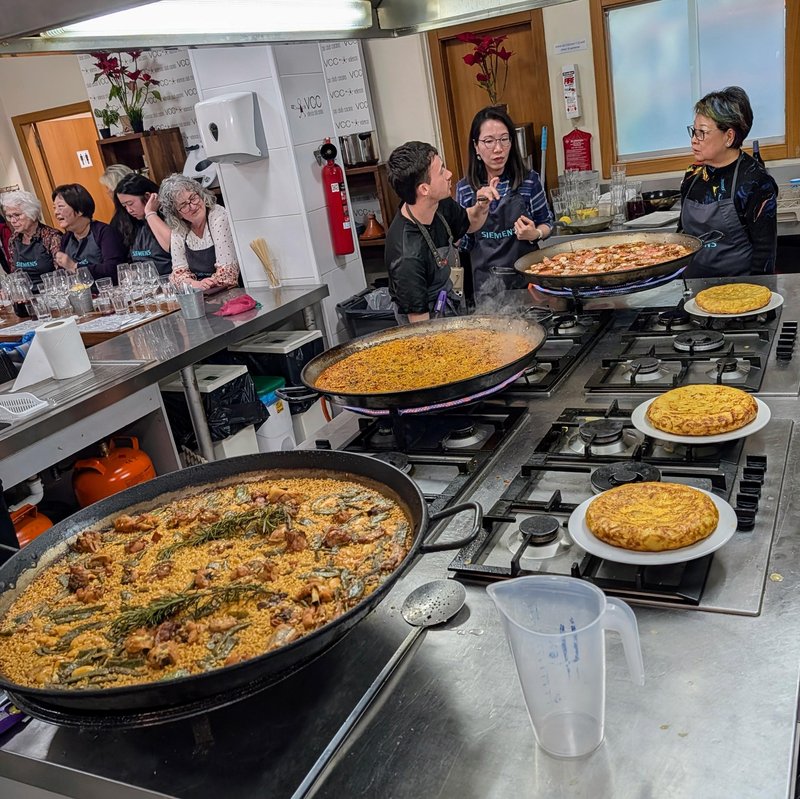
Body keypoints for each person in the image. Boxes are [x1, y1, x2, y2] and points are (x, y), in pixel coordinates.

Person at [385, 141, 498, 324]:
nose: (449, 174)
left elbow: (469, 222)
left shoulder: (439, 204)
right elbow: (421, 330)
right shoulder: (406, 255)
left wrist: (482, 206)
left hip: (452, 312)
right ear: (424, 189)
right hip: (427, 331)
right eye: (441, 171)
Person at [678, 86, 778, 277]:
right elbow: (682, 238)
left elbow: (764, 255)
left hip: (740, 293)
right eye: (693, 131)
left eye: (702, 132)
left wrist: (753, 297)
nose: (693, 140)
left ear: (729, 137)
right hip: (694, 290)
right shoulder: (692, 176)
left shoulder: (755, 182)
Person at [456, 107, 553, 296]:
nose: (498, 148)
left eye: (504, 139)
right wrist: (477, 210)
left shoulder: (529, 180)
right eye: (489, 141)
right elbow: (464, 244)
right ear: (476, 146)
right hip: (486, 287)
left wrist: (535, 233)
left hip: (528, 283)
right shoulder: (465, 189)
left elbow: (548, 223)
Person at [158, 174, 239, 290]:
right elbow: (177, 276)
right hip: (201, 295)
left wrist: (202, 284)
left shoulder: (217, 215)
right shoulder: (179, 229)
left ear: (200, 194)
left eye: (193, 198)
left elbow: (228, 274)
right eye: (184, 205)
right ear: (177, 214)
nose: (192, 206)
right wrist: (196, 285)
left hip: (230, 294)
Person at [53, 184, 126, 282]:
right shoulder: (66, 238)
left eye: (60, 206)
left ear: (79, 210)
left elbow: (113, 269)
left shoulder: (105, 232)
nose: (56, 212)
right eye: (54, 207)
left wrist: (75, 266)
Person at [113, 174, 172, 275]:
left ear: (148, 197)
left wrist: (150, 213)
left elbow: (172, 246)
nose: (129, 210)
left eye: (130, 203)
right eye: (124, 206)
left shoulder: (169, 218)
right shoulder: (131, 223)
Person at [0, 190, 61, 285]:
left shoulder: (52, 237)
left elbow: (62, 275)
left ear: (32, 213)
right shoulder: (13, 239)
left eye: (17, 215)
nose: (13, 220)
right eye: (9, 216)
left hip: (51, 293)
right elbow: (14, 274)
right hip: (26, 295)